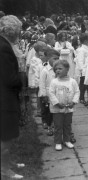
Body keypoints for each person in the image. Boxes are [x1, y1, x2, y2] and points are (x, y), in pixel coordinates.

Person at [0, 15, 23, 179]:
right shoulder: (3, 48)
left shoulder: (4, 44)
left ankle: (8, 162)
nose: (19, 35)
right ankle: (4, 169)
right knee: (6, 134)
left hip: (4, 95)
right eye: (19, 31)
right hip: (5, 98)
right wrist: (22, 78)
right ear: (12, 32)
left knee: (7, 133)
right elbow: (9, 78)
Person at [49, 60, 80, 151]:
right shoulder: (54, 82)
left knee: (67, 125)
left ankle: (67, 140)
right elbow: (51, 93)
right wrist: (57, 103)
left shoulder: (72, 81)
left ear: (67, 69)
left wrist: (73, 102)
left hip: (68, 108)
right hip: (57, 109)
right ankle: (58, 142)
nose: (57, 70)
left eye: (60, 68)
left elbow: (77, 92)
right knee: (58, 125)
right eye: (56, 69)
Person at [39, 48, 60, 135]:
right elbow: (42, 84)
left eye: (58, 58)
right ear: (48, 58)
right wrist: (44, 95)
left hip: (57, 94)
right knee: (47, 111)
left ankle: (55, 125)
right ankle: (48, 126)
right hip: (47, 95)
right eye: (54, 58)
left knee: (55, 111)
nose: (57, 60)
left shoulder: (58, 69)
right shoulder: (45, 70)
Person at [75, 33, 88, 104]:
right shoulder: (81, 50)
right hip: (84, 70)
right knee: (83, 85)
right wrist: (82, 70)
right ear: (86, 40)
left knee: (87, 84)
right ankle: (81, 98)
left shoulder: (87, 48)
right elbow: (80, 61)